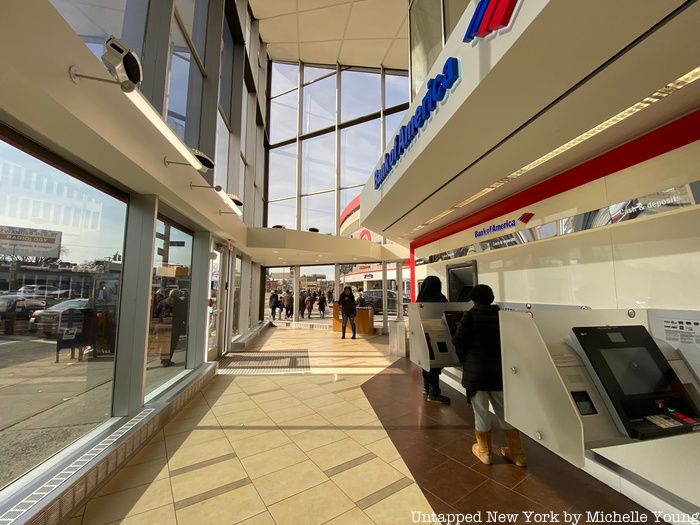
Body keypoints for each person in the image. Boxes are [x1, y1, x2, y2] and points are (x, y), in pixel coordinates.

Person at [452, 284, 526, 467]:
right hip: (500, 374)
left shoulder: (470, 316)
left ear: (474, 299)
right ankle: (517, 454)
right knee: (505, 412)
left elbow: (458, 341)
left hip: (477, 374)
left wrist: (464, 356)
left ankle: (485, 452)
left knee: (481, 412)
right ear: (491, 298)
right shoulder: (503, 317)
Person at [416, 276, 450, 404]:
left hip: (423, 335)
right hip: (438, 335)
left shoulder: (420, 299)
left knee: (426, 363)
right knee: (435, 365)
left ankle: (427, 388)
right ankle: (434, 393)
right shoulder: (440, 299)